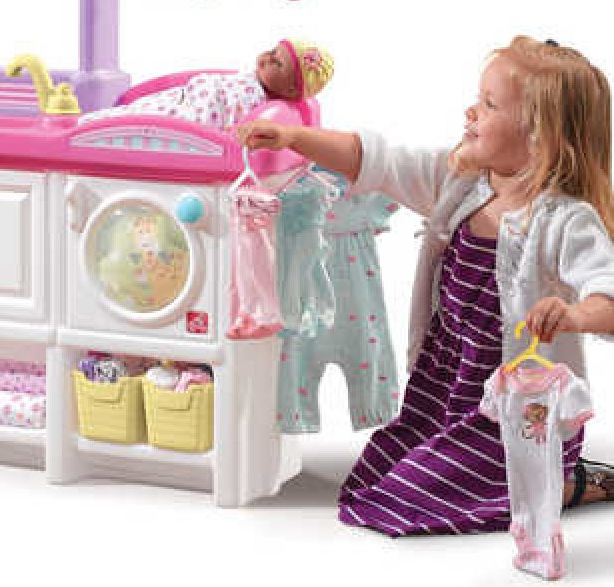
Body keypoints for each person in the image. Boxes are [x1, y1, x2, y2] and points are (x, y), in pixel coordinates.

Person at [235, 35, 614, 535]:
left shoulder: (564, 219)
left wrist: (573, 315)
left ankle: (559, 481)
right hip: (444, 388)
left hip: (514, 414)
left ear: (540, 137)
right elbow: (375, 160)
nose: (471, 112)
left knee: (401, 501)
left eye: (490, 105)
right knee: (370, 480)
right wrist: (294, 138)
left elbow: (607, 294)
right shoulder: (460, 181)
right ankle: (531, 479)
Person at [81, 38, 333, 131]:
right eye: (271, 51)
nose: (266, 57)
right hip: (182, 98)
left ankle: (87, 126)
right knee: (135, 110)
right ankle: (84, 123)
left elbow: (230, 121)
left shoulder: (262, 105)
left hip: (190, 114)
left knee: (140, 120)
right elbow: (216, 86)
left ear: (291, 89)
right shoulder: (249, 78)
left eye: (276, 63)